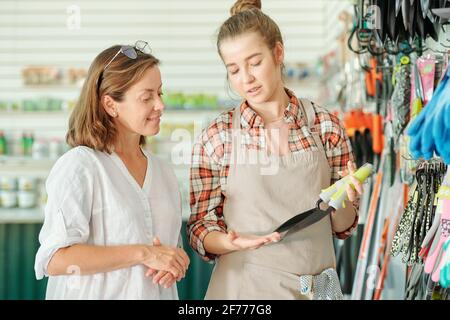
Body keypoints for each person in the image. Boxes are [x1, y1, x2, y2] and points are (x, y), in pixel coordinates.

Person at [187, 0, 364, 300]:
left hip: (315, 289)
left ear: (278, 53)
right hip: (244, 291)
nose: (246, 78)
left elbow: (342, 227)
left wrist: (346, 200)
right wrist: (231, 243)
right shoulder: (217, 137)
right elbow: (200, 227)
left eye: (254, 62)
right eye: (234, 70)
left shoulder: (325, 126)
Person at [34, 41, 190, 299]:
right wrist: (144, 253)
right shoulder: (81, 166)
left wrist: (176, 263)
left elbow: (167, 249)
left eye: (160, 93)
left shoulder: (163, 172)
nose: (160, 105)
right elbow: (54, 259)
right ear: (110, 105)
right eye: (146, 97)